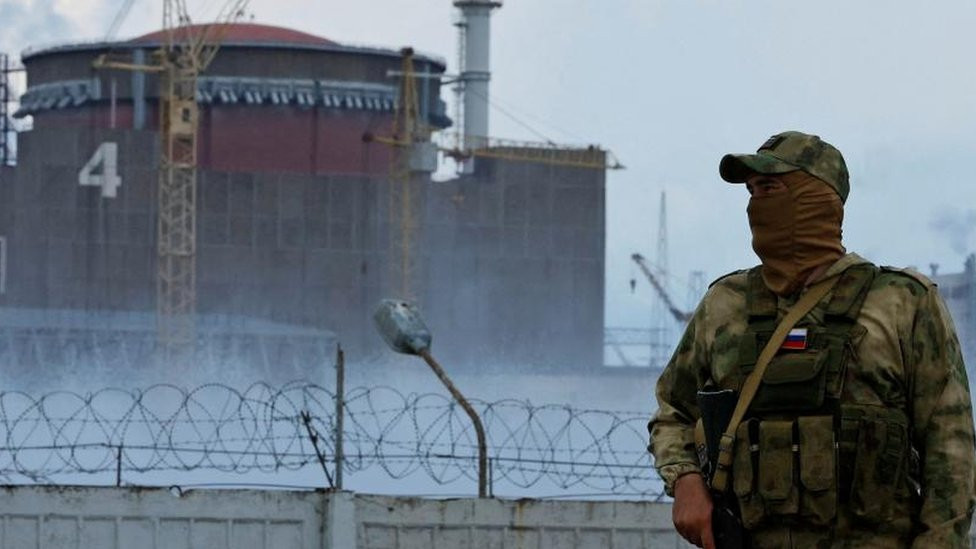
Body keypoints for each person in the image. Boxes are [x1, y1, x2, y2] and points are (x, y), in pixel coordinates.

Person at [648, 130, 976, 548]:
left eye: (769, 187)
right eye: (750, 191)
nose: (755, 203)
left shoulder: (901, 302)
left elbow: (950, 446)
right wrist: (685, 480)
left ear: (816, 196)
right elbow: (673, 410)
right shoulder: (725, 305)